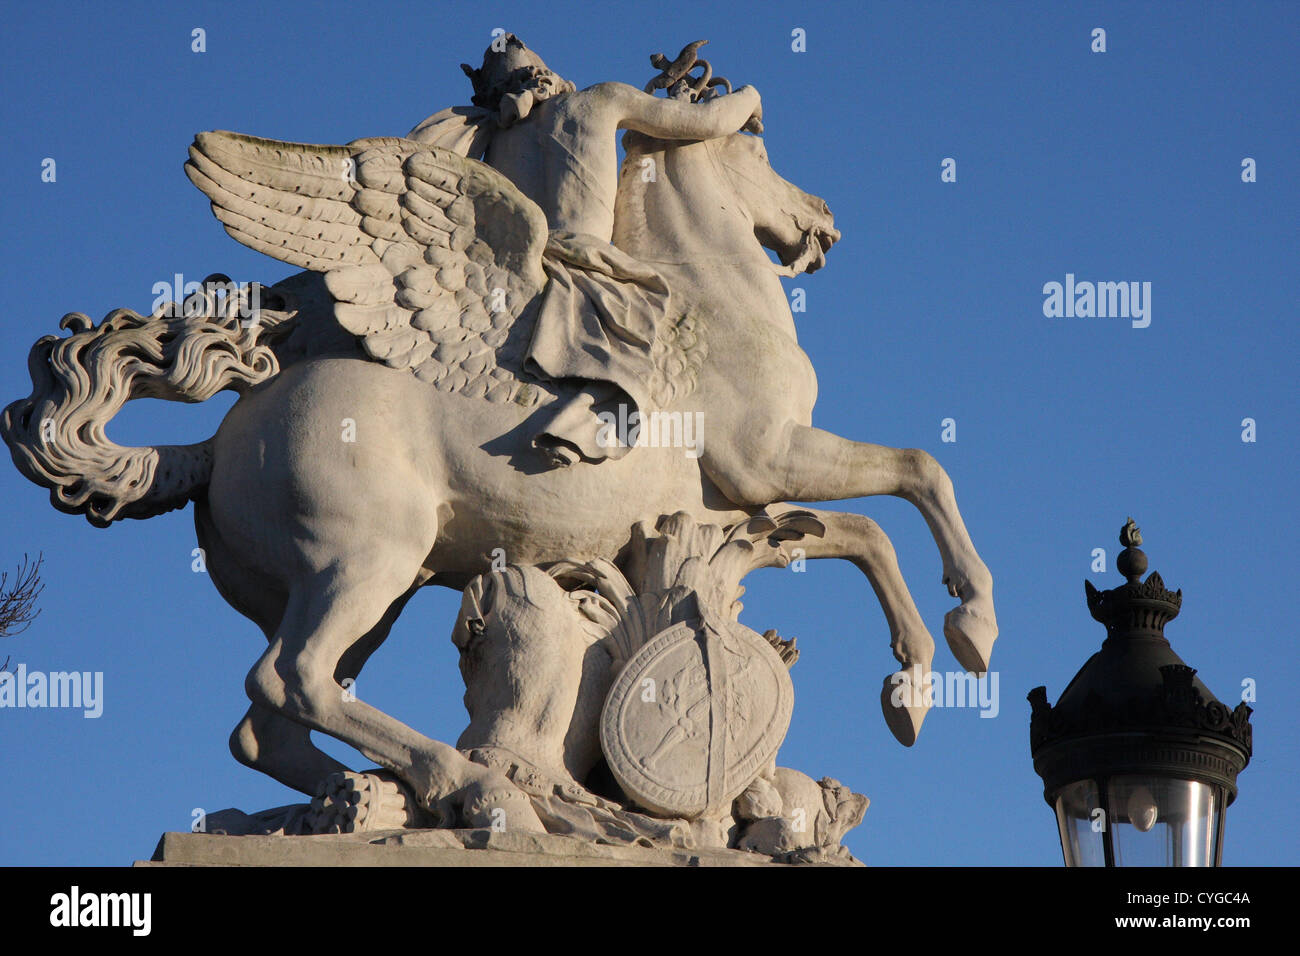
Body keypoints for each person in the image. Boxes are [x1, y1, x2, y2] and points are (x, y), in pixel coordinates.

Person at [408, 35, 762, 465]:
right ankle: (585, 428)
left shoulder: (491, 140)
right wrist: (750, 96)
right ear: (551, 77)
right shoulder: (599, 100)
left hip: (522, 268)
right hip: (588, 264)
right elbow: (709, 121)